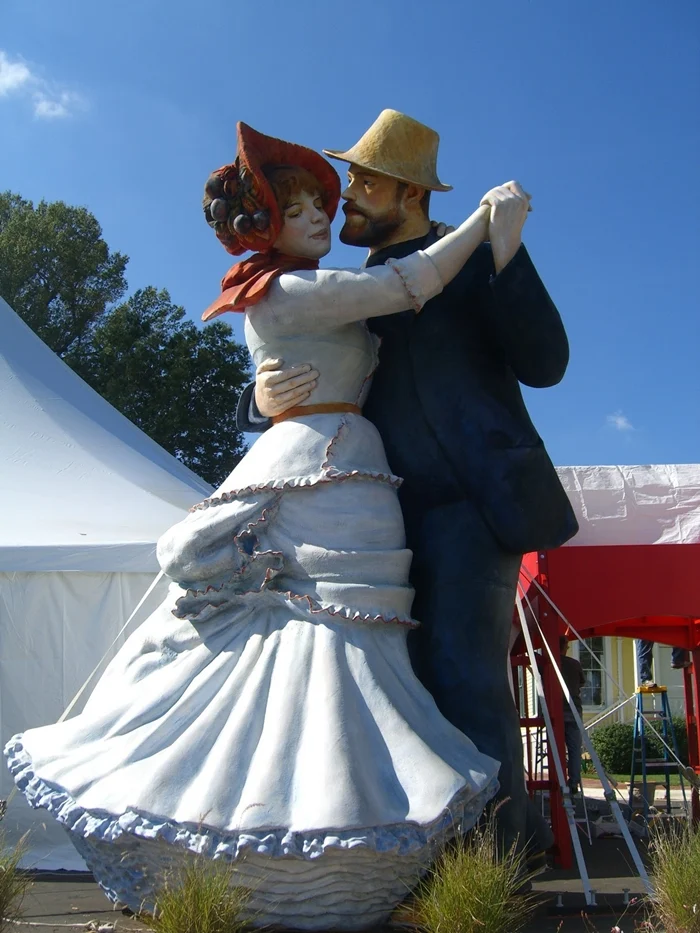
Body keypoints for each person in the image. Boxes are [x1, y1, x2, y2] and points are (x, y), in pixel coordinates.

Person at [5, 123, 503, 930]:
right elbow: (408, 283)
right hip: (318, 468)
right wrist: (482, 223)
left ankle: (328, 828)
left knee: (344, 645)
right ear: (263, 224)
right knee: (308, 638)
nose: (317, 216)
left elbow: (317, 357)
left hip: (343, 461)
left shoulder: (290, 293)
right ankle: (281, 836)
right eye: (298, 206)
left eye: (320, 203)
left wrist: (268, 399)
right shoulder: (286, 290)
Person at [238, 109, 579, 855]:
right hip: (373, 516)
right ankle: (426, 857)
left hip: (469, 505)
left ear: (411, 194)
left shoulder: (475, 254)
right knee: (397, 686)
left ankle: (497, 863)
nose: (344, 197)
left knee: (463, 674)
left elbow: (547, 361)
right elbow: (301, 356)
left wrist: (510, 256)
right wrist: (260, 397)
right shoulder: (353, 285)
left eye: (363, 180)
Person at [559, 636, 586, 795]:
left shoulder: (549, 664)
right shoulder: (574, 664)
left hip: (556, 711)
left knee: (556, 748)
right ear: (563, 647)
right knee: (575, 749)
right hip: (573, 711)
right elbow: (582, 682)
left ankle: (560, 780)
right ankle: (573, 782)